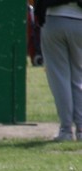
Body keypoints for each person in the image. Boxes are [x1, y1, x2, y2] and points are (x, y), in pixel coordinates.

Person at [35, 0, 82, 142]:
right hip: (79, 21)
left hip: (53, 19)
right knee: (79, 77)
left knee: (59, 79)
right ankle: (81, 129)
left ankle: (66, 130)